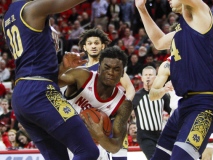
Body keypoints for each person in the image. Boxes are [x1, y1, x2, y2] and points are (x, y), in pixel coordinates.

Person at [3, 0, 99, 159]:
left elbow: (35, 65)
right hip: (40, 92)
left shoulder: (7, 17)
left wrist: (63, 67)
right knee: (87, 151)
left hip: (22, 94)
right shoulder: (31, 9)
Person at [135, 0, 213, 159]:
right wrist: (141, 9)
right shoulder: (179, 33)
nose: (169, 0)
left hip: (206, 103)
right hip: (184, 106)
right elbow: (158, 42)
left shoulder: (201, 14)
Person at [58, 47, 133, 160]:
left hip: (94, 147)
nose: (111, 73)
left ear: (123, 73)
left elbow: (116, 147)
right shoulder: (82, 76)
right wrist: (63, 68)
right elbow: (51, 83)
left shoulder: (123, 104)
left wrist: (100, 135)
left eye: (116, 69)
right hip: (64, 139)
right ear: (99, 68)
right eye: (106, 68)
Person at [78, 28, 136, 160]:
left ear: (102, 46)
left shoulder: (111, 66)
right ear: (84, 47)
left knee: (119, 157)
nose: (93, 46)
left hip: (112, 120)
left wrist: (121, 109)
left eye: (97, 43)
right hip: (89, 122)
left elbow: (130, 89)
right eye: (90, 43)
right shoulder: (80, 71)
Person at [132, 66, 171, 160]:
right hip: (144, 136)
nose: (148, 77)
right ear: (142, 78)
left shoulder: (163, 95)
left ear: (156, 77)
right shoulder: (136, 96)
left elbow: (171, 110)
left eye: (150, 75)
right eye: (146, 75)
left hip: (159, 135)